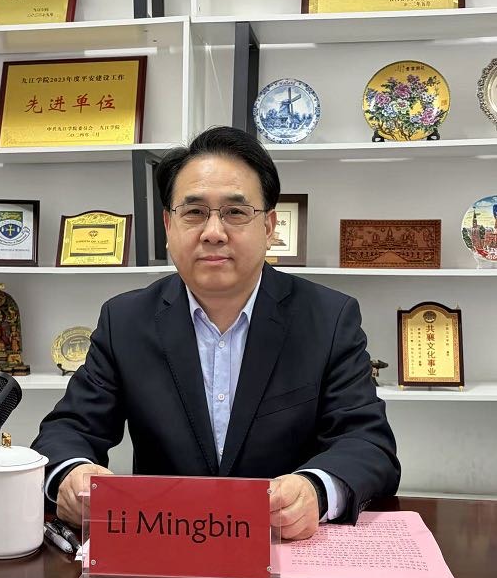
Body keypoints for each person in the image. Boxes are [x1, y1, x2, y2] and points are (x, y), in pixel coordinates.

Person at [31, 126, 400, 540]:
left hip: (281, 546)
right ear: (169, 226)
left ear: (270, 227)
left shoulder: (328, 318)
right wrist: (72, 475)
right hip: (164, 543)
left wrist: (315, 489)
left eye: (235, 213)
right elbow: (67, 431)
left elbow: (368, 444)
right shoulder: (126, 320)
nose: (213, 232)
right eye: (194, 213)